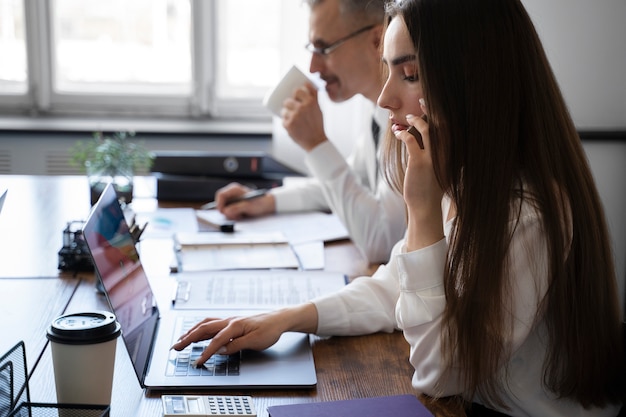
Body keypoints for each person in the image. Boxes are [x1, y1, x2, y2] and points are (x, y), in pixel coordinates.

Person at [173, 0, 625, 415]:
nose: (386, 97)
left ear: (474, 83)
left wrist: (423, 213)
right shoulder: (464, 175)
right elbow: (394, 286)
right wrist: (287, 319)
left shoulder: (524, 214)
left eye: (408, 75)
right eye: (389, 73)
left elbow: (440, 373)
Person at [213, 0, 406, 264]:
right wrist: (266, 200)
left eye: (323, 48)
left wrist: (316, 144)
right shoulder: (375, 113)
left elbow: (382, 242)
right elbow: (352, 181)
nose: (313, 67)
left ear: (377, 41)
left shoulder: (407, 121)